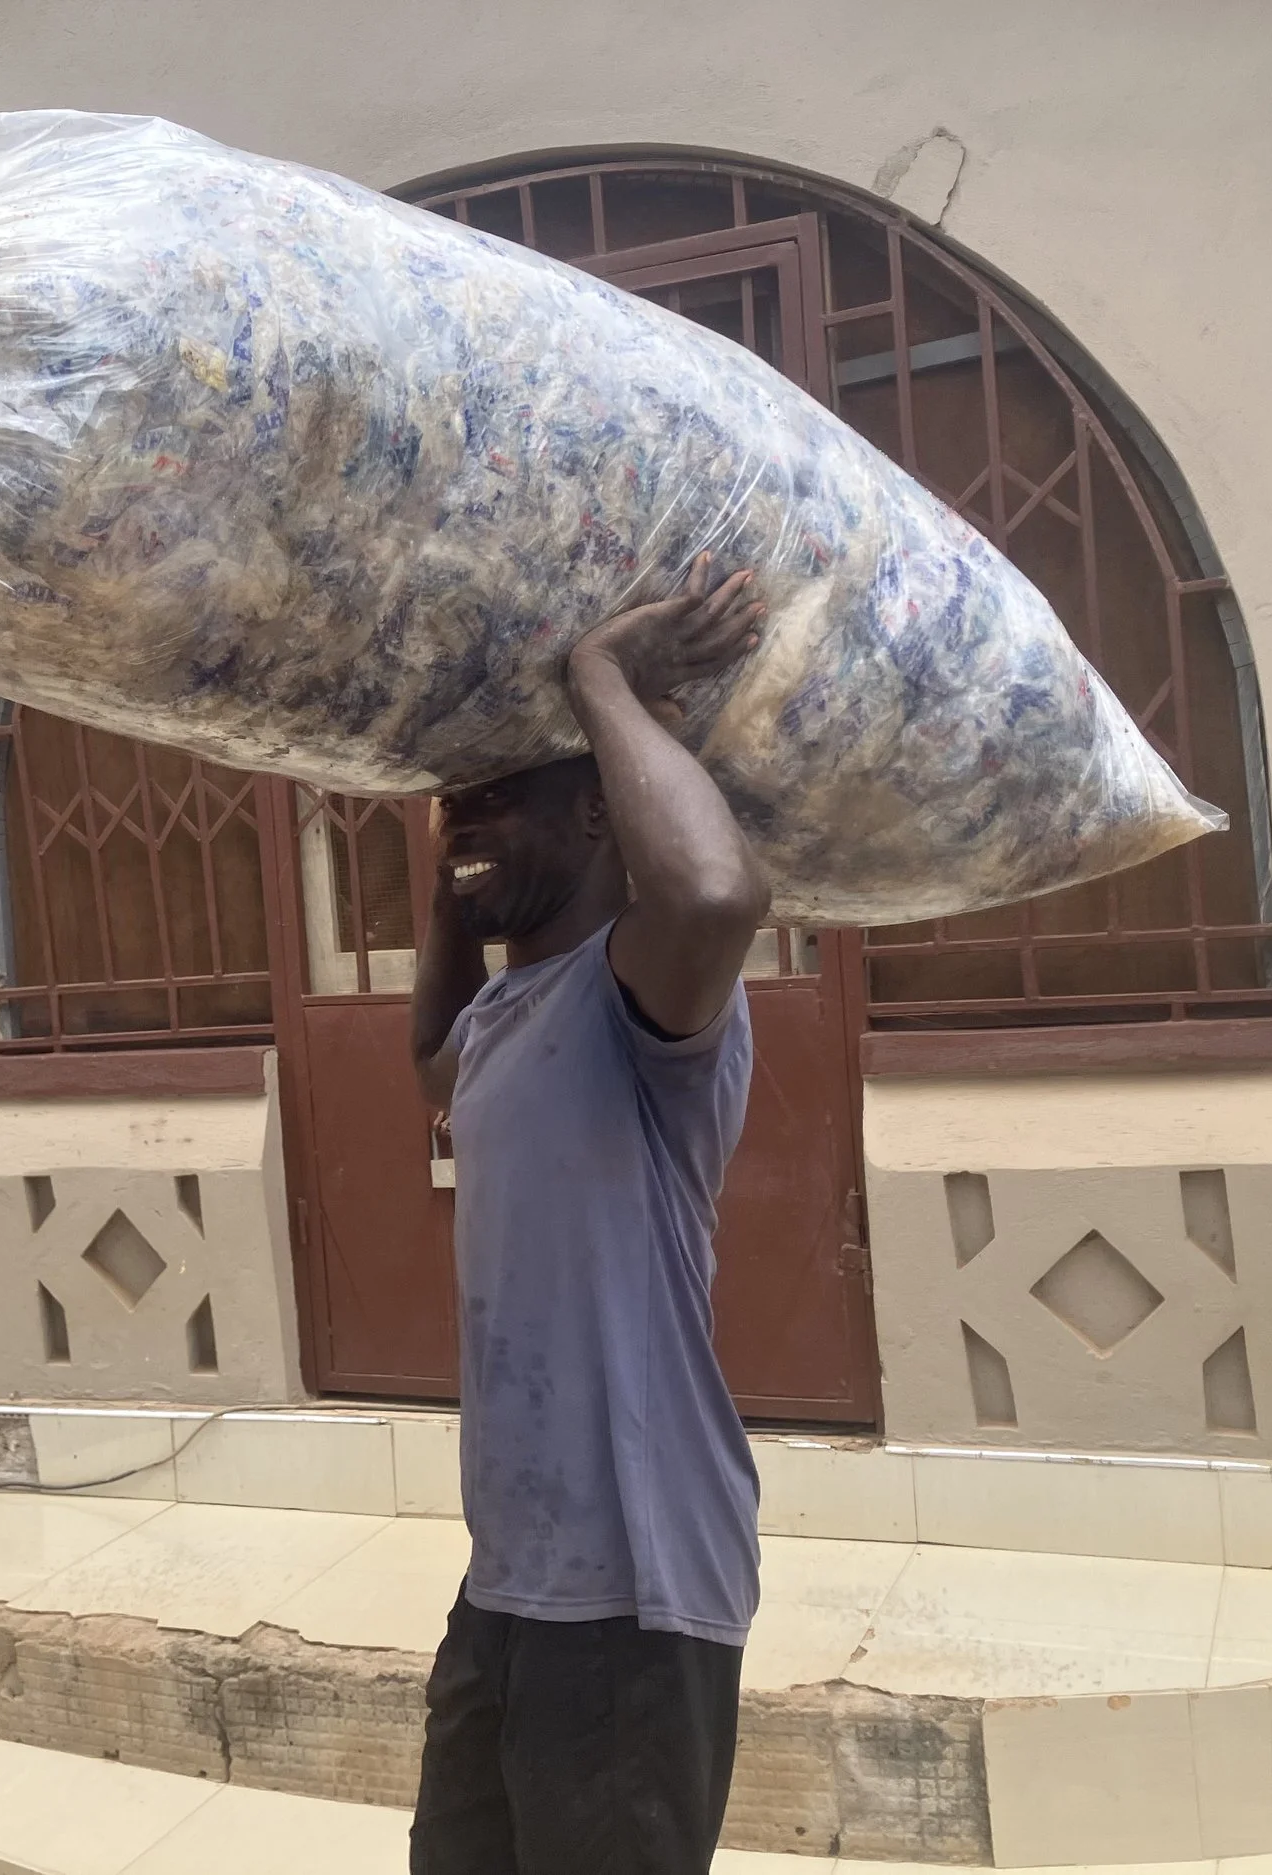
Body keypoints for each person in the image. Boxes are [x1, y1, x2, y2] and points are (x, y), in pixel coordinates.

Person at [406, 554, 772, 1875]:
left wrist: (598, 674)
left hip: (632, 1592)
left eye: (503, 800)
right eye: (461, 808)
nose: (466, 825)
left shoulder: (648, 997)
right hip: (506, 1582)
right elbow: (431, 1053)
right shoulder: (502, 1019)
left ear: (604, 817)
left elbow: (716, 893)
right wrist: (446, 852)